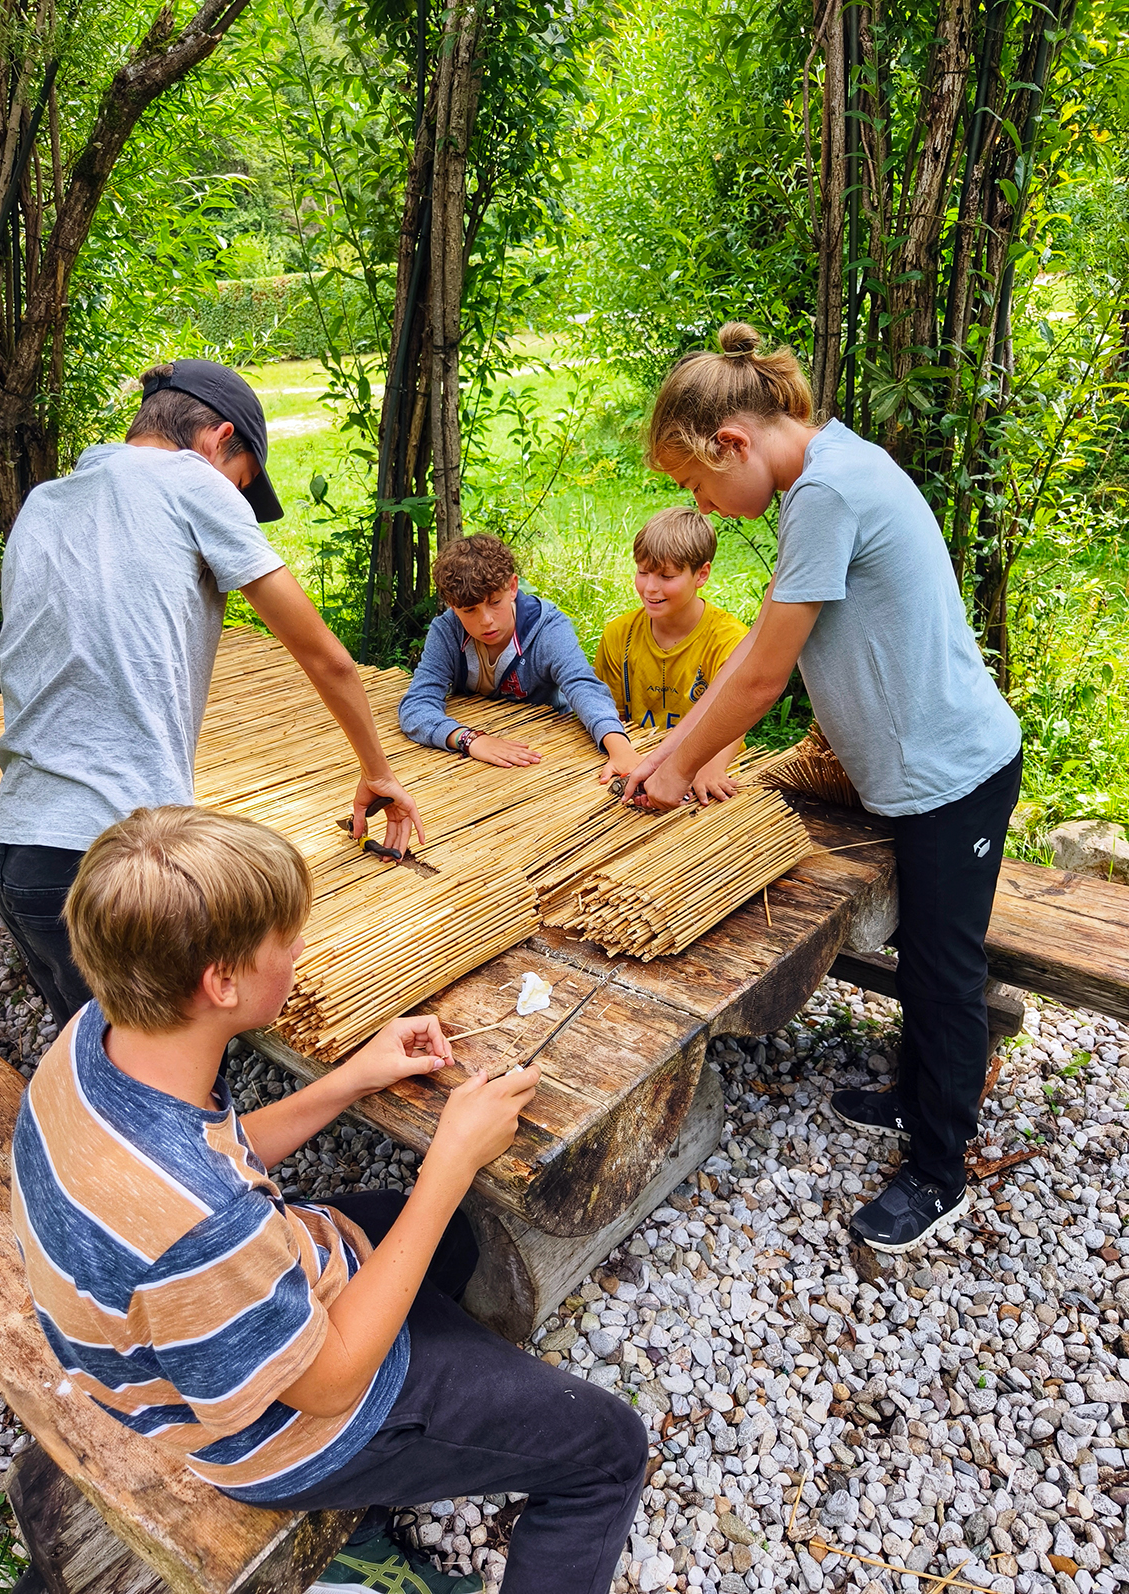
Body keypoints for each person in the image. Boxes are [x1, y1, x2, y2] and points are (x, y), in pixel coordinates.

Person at [10, 805, 648, 1594]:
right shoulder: (203, 1225)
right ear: (223, 981)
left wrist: (351, 1078)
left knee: (456, 1245)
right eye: (288, 940)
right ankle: (400, 1450)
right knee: (610, 1448)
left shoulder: (95, 1036)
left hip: (231, 1304)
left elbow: (220, 1149)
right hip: (281, 1434)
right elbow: (328, 1383)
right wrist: (445, 1164)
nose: (302, 950)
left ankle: (436, 1422)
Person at [623, 322, 1022, 1254]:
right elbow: (765, 644)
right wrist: (677, 750)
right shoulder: (825, 473)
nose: (705, 506)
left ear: (734, 442)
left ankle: (937, 1169)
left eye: (696, 486)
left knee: (943, 972)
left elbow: (764, 675)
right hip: (917, 780)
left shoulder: (828, 492)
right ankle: (913, 1097)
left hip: (953, 775)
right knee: (925, 957)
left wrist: (678, 769)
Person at [0, 359, 422, 1031]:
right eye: (240, 483)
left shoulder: (44, 503)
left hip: (15, 853)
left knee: (95, 1077)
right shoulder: (192, 481)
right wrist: (377, 771)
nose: (235, 498)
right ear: (218, 440)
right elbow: (326, 658)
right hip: (115, 868)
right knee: (164, 1089)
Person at [398, 533, 638, 781]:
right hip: (472, 768)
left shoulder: (548, 628)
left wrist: (620, 749)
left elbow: (582, 685)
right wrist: (469, 739)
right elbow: (416, 706)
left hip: (548, 754)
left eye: (494, 602)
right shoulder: (446, 631)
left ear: (512, 587)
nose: (486, 620)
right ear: (451, 604)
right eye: (470, 610)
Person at [594, 505, 749, 802]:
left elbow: (736, 714)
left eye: (666, 576)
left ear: (701, 574)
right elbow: (609, 712)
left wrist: (713, 766)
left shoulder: (728, 640)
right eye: (643, 572)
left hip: (710, 768)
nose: (650, 588)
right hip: (639, 763)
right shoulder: (619, 635)